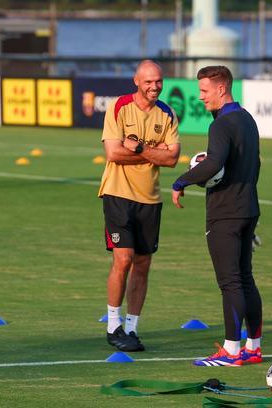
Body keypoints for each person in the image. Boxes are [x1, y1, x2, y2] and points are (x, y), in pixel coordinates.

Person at [171, 65, 262, 367]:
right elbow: (256, 164)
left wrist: (181, 181)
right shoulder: (247, 119)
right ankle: (253, 347)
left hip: (225, 214)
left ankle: (231, 351)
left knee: (230, 283)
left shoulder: (220, 125)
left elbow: (212, 164)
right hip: (248, 209)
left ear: (221, 89)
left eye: (205, 91)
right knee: (245, 278)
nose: (201, 97)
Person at [98, 60, 180, 351]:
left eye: (158, 81)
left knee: (143, 264)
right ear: (136, 81)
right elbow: (113, 153)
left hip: (150, 198)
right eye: (148, 81)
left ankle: (131, 328)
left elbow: (172, 159)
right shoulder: (119, 107)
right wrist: (155, 154)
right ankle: (113, 325)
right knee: (124, 259)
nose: (155, 86)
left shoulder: (167, 113)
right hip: (118, 193)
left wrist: (142, 148)